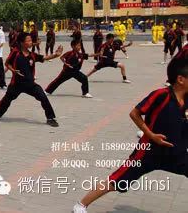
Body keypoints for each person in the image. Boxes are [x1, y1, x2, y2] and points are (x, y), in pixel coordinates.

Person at [72, 60, 188, 213]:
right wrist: (150, 135)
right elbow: (134, 113)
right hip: (149, 151)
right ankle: (81, 205)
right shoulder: (161, 95)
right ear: (180, 79)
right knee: (119, 180)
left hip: (175, 152)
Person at [0, 32, 63, 127]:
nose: (31, 42)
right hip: (16, 84)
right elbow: (7, 63)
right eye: (29, 40)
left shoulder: (32, 55)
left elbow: (44, 58)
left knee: (43, 97)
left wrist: (56, 55)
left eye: (31, 40)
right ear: (22, 42)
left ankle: (50, 118)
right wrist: (13, 70)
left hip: (30, 84)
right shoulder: (15, 52)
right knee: (6, 100)